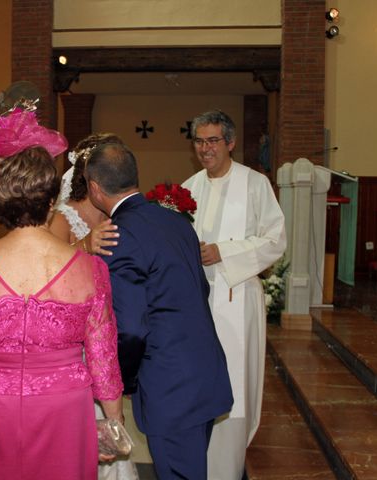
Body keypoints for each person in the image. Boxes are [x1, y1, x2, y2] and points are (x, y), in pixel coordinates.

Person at [0, 107, 124, 479]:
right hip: (62, 409)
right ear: (50, 194)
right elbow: (104, 362)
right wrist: (114, 423)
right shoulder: (90, 270)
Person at [84, 143, 233, 480]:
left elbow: (130, 328)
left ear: (95, 189)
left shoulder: (118, 235)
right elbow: (199, 290)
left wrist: (123, 385)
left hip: (170, 387)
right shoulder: (176, 221)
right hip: (203, 372)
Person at [181, 110, 286, 480]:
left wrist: (223, 251)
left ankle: (227, 469)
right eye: (199, 141)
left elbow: (276, 240)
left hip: (238, 300)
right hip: (197, 303)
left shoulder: (255, 184)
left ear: (230, 143)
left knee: (235, 386)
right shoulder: (188, 188)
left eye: (213, 141)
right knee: (198, 385)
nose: (205, 149)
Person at [50, 134, 137, 480]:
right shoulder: (61, 219)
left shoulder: (119, 216)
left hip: (108, 337)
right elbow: (48, 276)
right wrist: (84, 246)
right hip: (74, 346)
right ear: (90, 181)